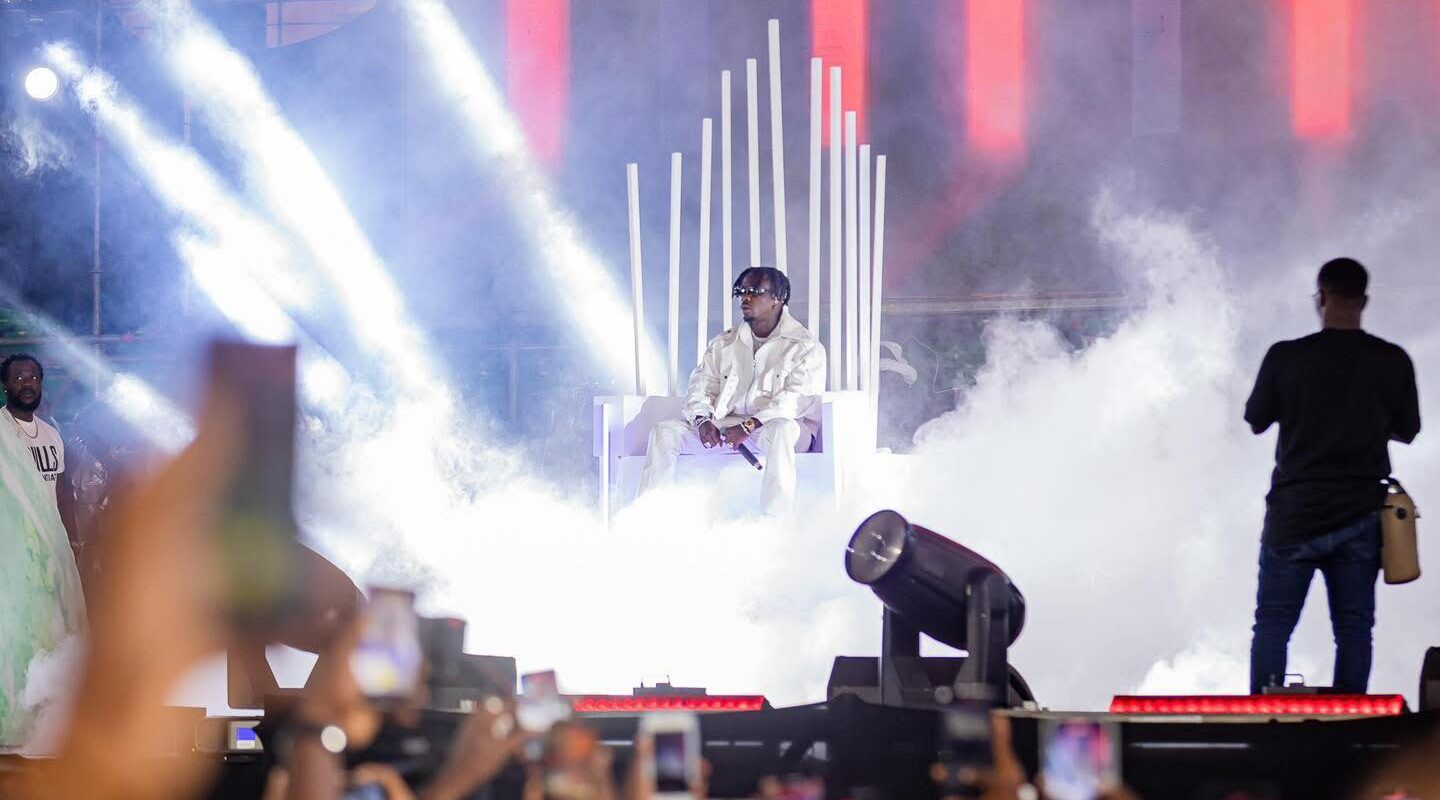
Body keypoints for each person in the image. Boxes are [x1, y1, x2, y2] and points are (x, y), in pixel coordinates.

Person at [1244, 257, 1420, 694]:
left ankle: (1264, 719)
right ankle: (1353, 729)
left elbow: (1256, 419)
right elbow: (1409, 429)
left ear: (1321, 298)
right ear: (1364, 301)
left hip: (1294, 515)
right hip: (1360, 515)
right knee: (1355, 628)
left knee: (1273, 625)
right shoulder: (1392, 360)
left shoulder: (1286, 357)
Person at [638, 266, 826, 514]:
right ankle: (647, 516)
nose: (745, 298)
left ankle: (774, 521)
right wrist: (703, 420)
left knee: (781, 430)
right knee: (665, 432)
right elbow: (699, 386)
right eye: (741, 291)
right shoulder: (724, 343)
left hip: (782, 427)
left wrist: (749, 426)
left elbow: (794, 402)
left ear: (777, 299)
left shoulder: (804, 347)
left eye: (754, 291)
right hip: (728, 424)